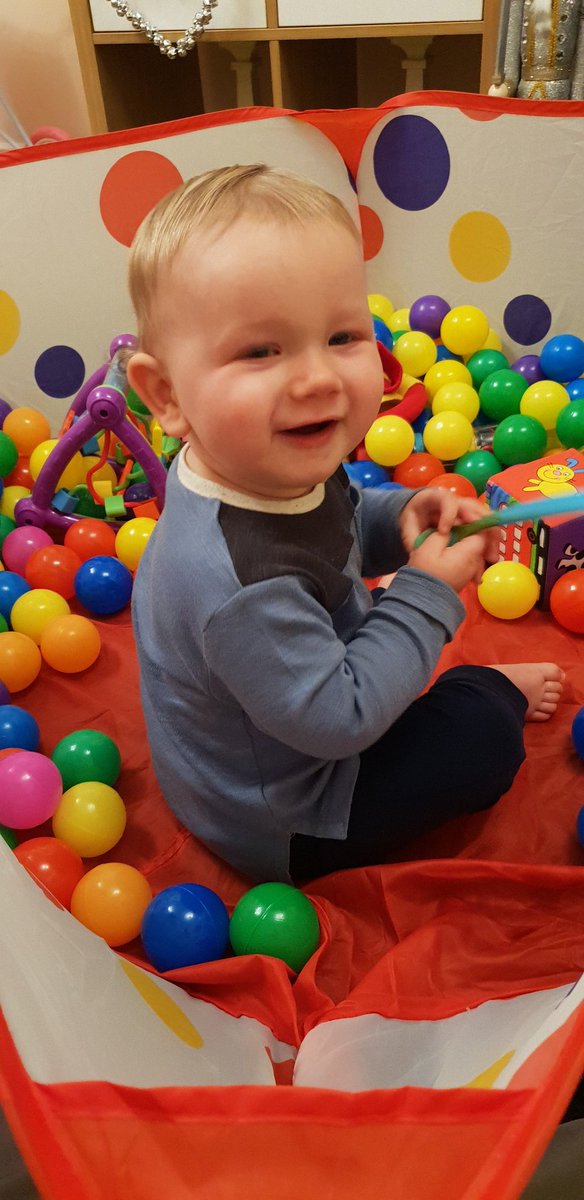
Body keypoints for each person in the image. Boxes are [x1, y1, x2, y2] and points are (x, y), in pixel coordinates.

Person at [126, 163, 564, 884]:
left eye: (342, 336)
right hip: (285, 818)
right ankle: (486, 691)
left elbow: (337, 525)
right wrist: (427, 591)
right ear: (167, 396)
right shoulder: (237, 582)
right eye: (261, 350)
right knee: (483, 741)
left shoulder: (253, 461)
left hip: (265, 741)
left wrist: (403, 516)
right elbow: (341, 720)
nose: (319, 378)